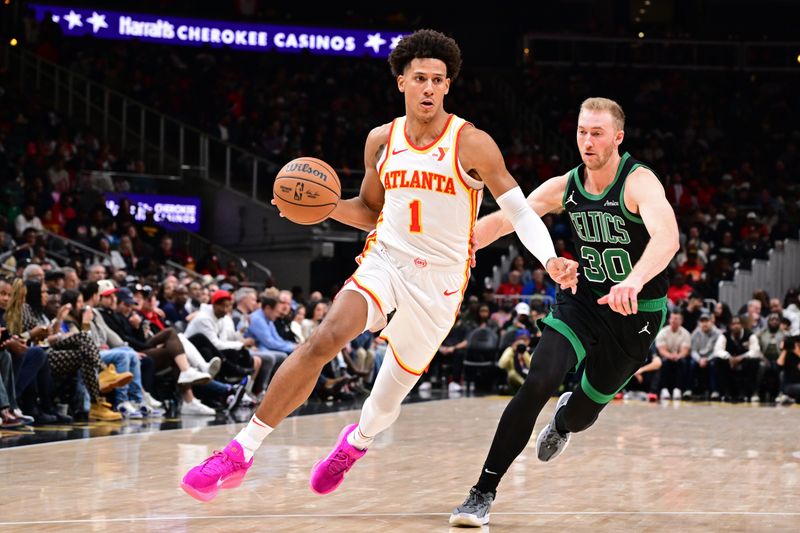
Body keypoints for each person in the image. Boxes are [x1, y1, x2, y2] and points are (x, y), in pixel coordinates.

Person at [181, 29, 578, 502]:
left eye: (438, 79)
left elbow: (518, 211)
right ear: (401, 83)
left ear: (448, 85)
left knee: (385, 401)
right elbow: (369, 211)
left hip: (441, 283)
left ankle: (356, 443)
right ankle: (240, 452)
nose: (429, 88)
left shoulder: (472, 143)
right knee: (322, 339)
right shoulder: (380, 140)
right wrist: (324, 208)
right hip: (385, 259)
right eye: (419, 78)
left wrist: (549, 257)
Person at [449, 96, 679, 527]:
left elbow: (667, 238)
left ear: (617, 138)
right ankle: (482, 492)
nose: (587, 141)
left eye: (597, 133)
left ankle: (566, 420)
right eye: (581, 131)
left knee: (582, 413)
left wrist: (633, 279)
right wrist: (458, 247)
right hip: (583, 300)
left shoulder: (638, 182)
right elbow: (508, 218)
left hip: (637, 311)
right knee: (538, 379)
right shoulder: (566, 185)